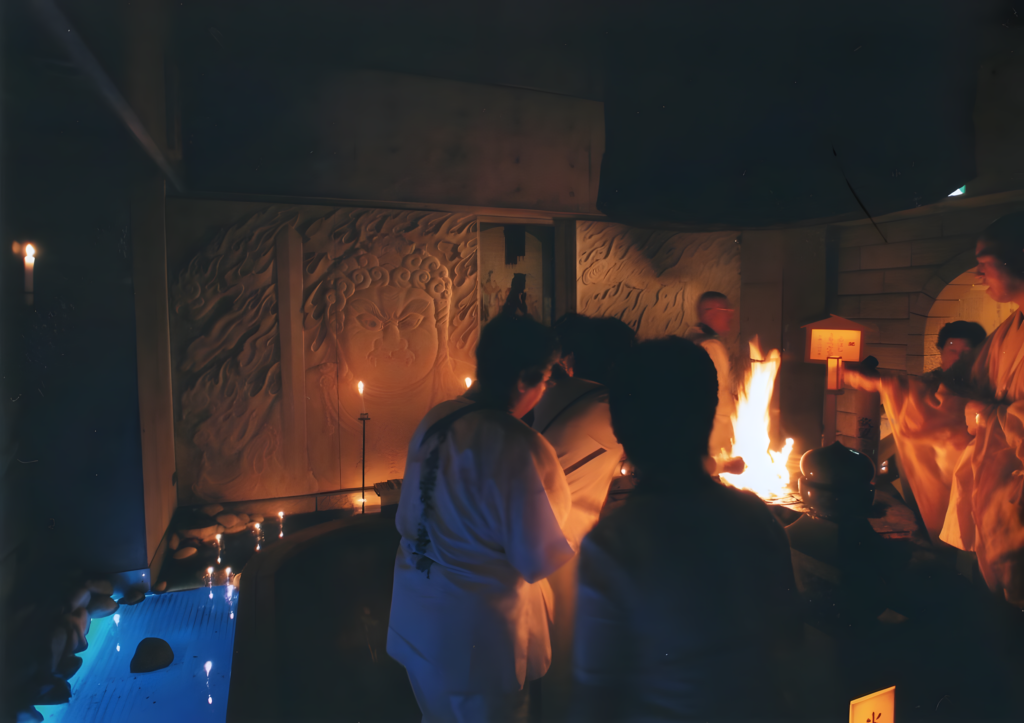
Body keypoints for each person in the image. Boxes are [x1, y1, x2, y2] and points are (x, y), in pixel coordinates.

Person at [571, 337, 802, 721]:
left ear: (619, 428)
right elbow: (789, 642)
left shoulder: (615, 543)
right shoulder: (757, 518)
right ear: (710, 415)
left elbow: (595, 696)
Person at [387, 315, 576, 722]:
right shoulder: (520, 444)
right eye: (545, 380)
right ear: (525, 378)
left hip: (419, 614)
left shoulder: (435, 417)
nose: (544, 392)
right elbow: (538, 558)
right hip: (478, 639)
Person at [846, 212, 1024, 605]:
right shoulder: (1011, 329)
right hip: (998, 491)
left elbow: (969, 400)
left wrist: (984, 413)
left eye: (984, 262)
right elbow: (954, 386)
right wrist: (883, 383)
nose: (979, 275)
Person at [529, 315, 635, 720]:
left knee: (553, 646)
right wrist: (723, 464)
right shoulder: (608, 406)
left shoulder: (558, 392)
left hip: (536, 532)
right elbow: (657, 450)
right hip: (566, 542)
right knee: (568, 649)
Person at [684, 292, 744, 474]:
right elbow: (716, 393)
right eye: (726, 310)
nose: (731, 315)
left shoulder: (693, 340)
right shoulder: (710, 346)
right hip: (711, 429)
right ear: (709, 313)